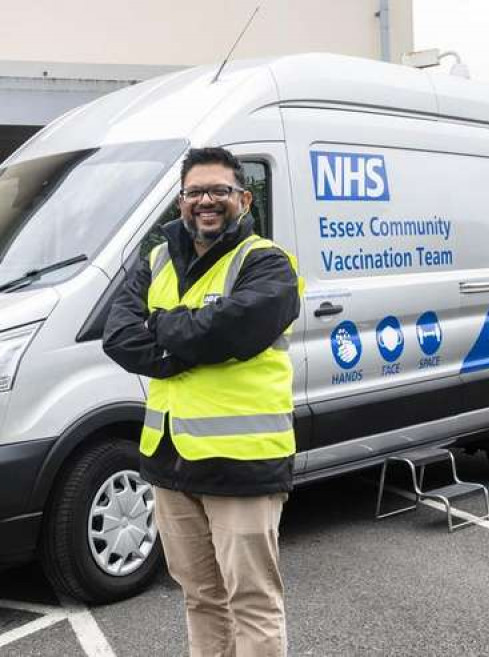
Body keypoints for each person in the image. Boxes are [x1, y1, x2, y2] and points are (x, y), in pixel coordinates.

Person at [103, 146, 301, 657]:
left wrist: (163, 331)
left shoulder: (268, 264)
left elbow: (236, 328)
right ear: (180, 200)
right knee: (200, 598)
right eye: (195, 192)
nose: (206, 201)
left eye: (218, 190)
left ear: (243, 197)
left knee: (252, 602)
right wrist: (190, 344)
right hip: (171, 461)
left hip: (244, 461)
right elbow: (119, 337)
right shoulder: (157, 258)